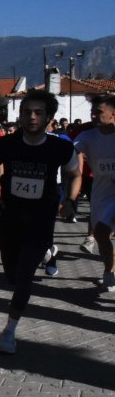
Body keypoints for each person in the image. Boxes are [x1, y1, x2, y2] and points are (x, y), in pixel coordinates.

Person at [0, 89, 80, 354]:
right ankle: (49, 253)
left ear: (49, 117)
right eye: (27, 112)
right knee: (12, 276)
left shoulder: (61, 147)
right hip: (9, 217)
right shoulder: (7, 144)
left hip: (41, 218)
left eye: (38, 113)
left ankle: (9, 331)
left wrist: (70, 200)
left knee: (25, 277)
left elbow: (74, 174)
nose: (31, 117)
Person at [73, 95, 115, 292]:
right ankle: (109, 271)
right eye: (93, 111)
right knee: (100, 234)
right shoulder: (88, 136)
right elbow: (69, 151)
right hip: (102, 193)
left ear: (112, 114)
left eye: (99, 111)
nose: (93, 115)